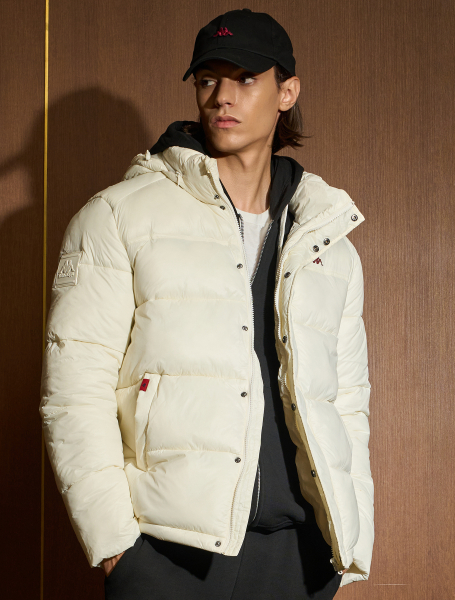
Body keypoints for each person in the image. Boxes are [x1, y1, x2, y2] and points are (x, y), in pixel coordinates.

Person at [40, 8, 374, 599]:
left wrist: (349, 544)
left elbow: (346, 405)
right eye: (208, 79)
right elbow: (74, 393)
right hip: (169, 558)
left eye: (246, 79)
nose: (223, 96)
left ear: (287, 92)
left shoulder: (326, 241)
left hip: (299, 560)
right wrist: (117, 547)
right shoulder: (118, 216)